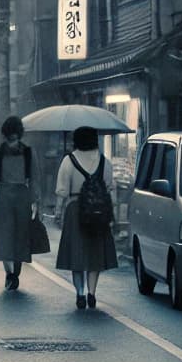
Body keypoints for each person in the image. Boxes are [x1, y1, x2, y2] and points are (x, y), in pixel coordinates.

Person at [54, 125, 118, 309]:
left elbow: (62, 191)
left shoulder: (68, 161)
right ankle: (92, 293)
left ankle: (80, 293)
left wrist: (58, 212)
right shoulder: (104, 162)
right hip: (98, 211)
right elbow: (110, 190)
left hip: (75, 209)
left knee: (77, 255)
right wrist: (112, 215)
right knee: (95, 254)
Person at [0, 115, 41, 292]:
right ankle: (15, 272)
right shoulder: (29, 153)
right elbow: (35, 179)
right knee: (20, 237)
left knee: (3, 237)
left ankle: (10, 273)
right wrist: (36, 201)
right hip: (22, 195)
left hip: (3, 196)